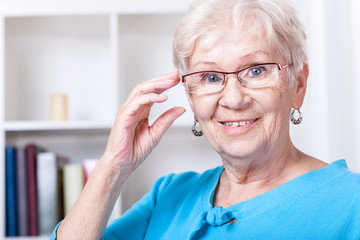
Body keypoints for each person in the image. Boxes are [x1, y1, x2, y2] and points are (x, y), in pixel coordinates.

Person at [51, 0, 360, 239]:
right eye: (211, 77)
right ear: (190, 97)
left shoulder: (352, 204)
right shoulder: (168, 196)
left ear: (298, 85)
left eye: (256, 70)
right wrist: (113, 167)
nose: (234, 99)